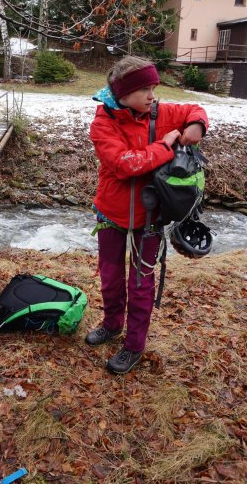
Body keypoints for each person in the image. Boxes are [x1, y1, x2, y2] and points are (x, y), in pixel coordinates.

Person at [86, 56, 208, 374]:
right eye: (145, 89)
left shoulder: (160, 112)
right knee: (111, 278)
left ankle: (134, 345)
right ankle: (112, 324)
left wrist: (196, 125)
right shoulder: (102, 123)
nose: (153, 95)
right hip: (111, 215)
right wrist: (167, 145)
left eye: (154, 88)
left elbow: (195, 110)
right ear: (124, 94)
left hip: (150, 219)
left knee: (141, 284)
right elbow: (127, 164)